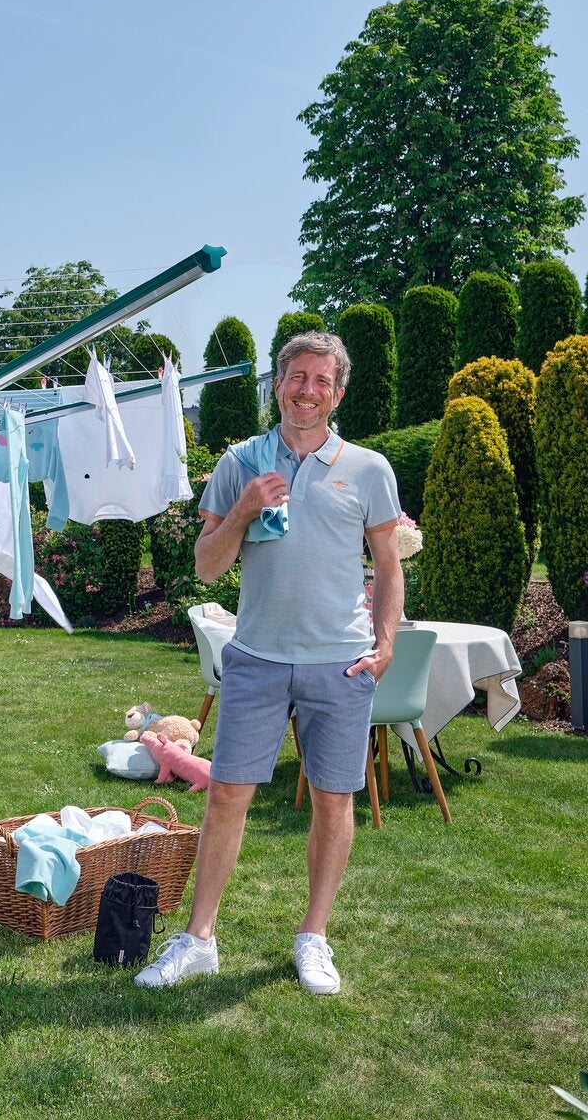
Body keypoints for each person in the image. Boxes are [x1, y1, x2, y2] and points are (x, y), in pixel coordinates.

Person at [135, 330, 402, 995]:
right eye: (296, 377)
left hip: (339, 663)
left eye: (321, 381)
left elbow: (390, 566)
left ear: (337, 394)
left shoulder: (368, 469)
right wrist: (247, 507)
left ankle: (313, 937)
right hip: (255, 657)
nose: (306, 390)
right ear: (277, 385)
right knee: (227, 796)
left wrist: (387, 642)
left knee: (334, 804)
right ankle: (198, 940)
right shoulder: (240, 461)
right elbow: (206, 565)